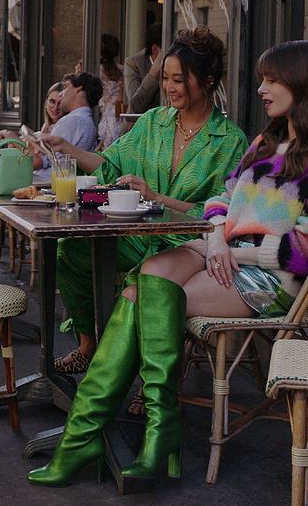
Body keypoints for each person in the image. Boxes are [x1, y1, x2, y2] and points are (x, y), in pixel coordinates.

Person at [29, 39, 308, 488]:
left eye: (271, 80)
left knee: (149, 296)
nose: (261, 89)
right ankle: (119, 434)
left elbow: (307, 250)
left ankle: (116, 435)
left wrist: (228, 248)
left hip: (269, 276)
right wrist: (217, 235)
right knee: (147, 275)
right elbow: (221, 199)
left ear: (305, 82)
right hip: (221, 252)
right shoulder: (267, 142)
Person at [37, 27, 247, 377]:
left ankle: (151, 374)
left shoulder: (230, 142)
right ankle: (91, 345)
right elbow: (112, 164)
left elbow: (218, 216)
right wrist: (68, 150)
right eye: (165, 78)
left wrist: (156, 197)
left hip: (189, 245)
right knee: (70, 251)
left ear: (208, 81)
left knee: (143, 282)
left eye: (179, 79)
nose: (169, 88)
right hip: (140, 234)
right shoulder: (153, 123)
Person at [29, 72, 102, 181]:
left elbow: (46, 161)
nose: (61, 94)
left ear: (78, 89)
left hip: (48, 183)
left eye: (66, 87)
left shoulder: (73, 120)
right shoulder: (84, 121)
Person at [123, 23, 163, 115]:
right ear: (156, 49)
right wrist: (154, 73)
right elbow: (136, 105)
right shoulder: (133, 63)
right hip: (139, 123)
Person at [98, 34, 125, 147]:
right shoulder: (123, 71)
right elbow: (121, 99)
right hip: (116, 116)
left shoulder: (97, 71)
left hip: (104, 116)